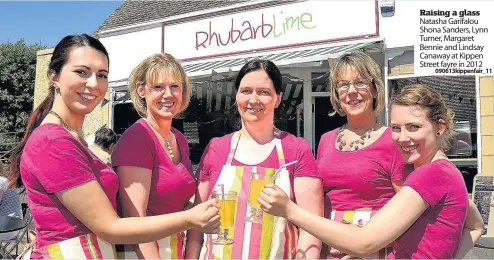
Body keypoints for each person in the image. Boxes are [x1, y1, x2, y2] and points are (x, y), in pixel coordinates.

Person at [8, 34, 220, 259]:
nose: (93, 83)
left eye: (101, 75)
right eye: (81, 72)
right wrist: (190, 219)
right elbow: (110, 226)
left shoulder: (70, 138)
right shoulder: (53, 142)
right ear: (54, 77)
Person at [259, 84, 484, 259]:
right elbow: (476, 226)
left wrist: (289, 210)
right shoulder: (447, 171)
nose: (402, 138)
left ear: (440, 127)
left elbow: (364, 241)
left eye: (414, 127)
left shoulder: (430, 175)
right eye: (396, 128)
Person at [185, 59, 323, 260]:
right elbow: (196, 224)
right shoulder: (217, 148)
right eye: (246, 91)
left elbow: (311, 229)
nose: (253, 99)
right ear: (236, 95)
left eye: (264, 92)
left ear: (278, 98)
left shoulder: (295, 150)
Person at [317, 52, 407, 259]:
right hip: (328, 248)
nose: (351, 92)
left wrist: (368, 245)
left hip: (374, 248)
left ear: (375, 90)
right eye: (343, 85)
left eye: (360, 83)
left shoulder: (393, 140)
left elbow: (405, 207)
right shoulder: (326, 140)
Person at [111, 53, 197, 259]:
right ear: (141, 90)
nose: (168, 94)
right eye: (158, 87)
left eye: (175, 86)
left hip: (176, 247)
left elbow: (178, 203)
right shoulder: (138, 138)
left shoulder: (179, 139)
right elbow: (136, 221)